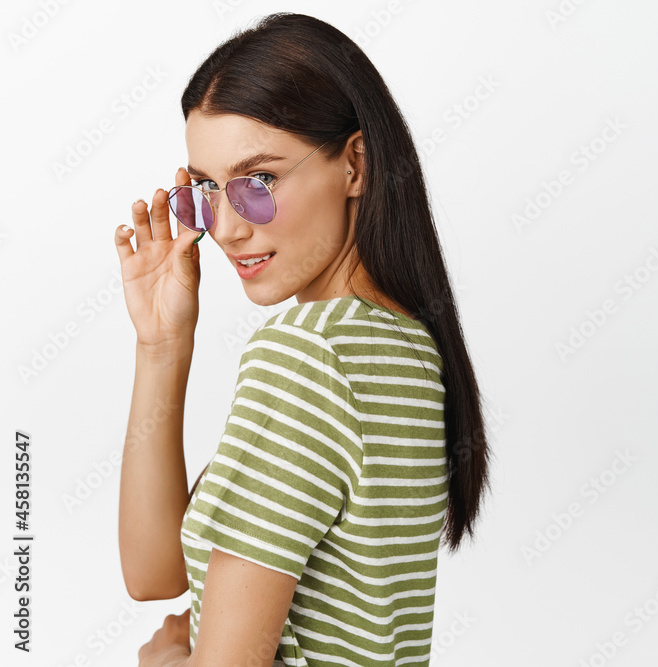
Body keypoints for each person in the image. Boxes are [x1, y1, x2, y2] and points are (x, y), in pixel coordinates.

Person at [114, 12, 491, 666]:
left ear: (355, 164)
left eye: (258, 181)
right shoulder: (406, 347)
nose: (227, 228)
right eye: (205, 189)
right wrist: (162, 345)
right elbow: (159, 572)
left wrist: (163, 662)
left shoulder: (307, 355)